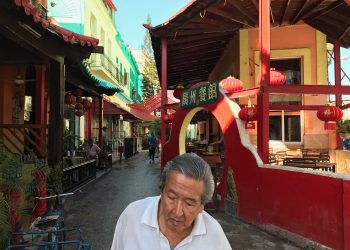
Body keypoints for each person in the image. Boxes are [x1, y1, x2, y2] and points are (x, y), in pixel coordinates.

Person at [111, 153, 232, 250]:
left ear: (202, 206)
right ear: (162, 191)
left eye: (189, 203)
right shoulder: (132, 216)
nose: (177, 212)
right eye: (172, 197)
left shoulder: (214, 234)